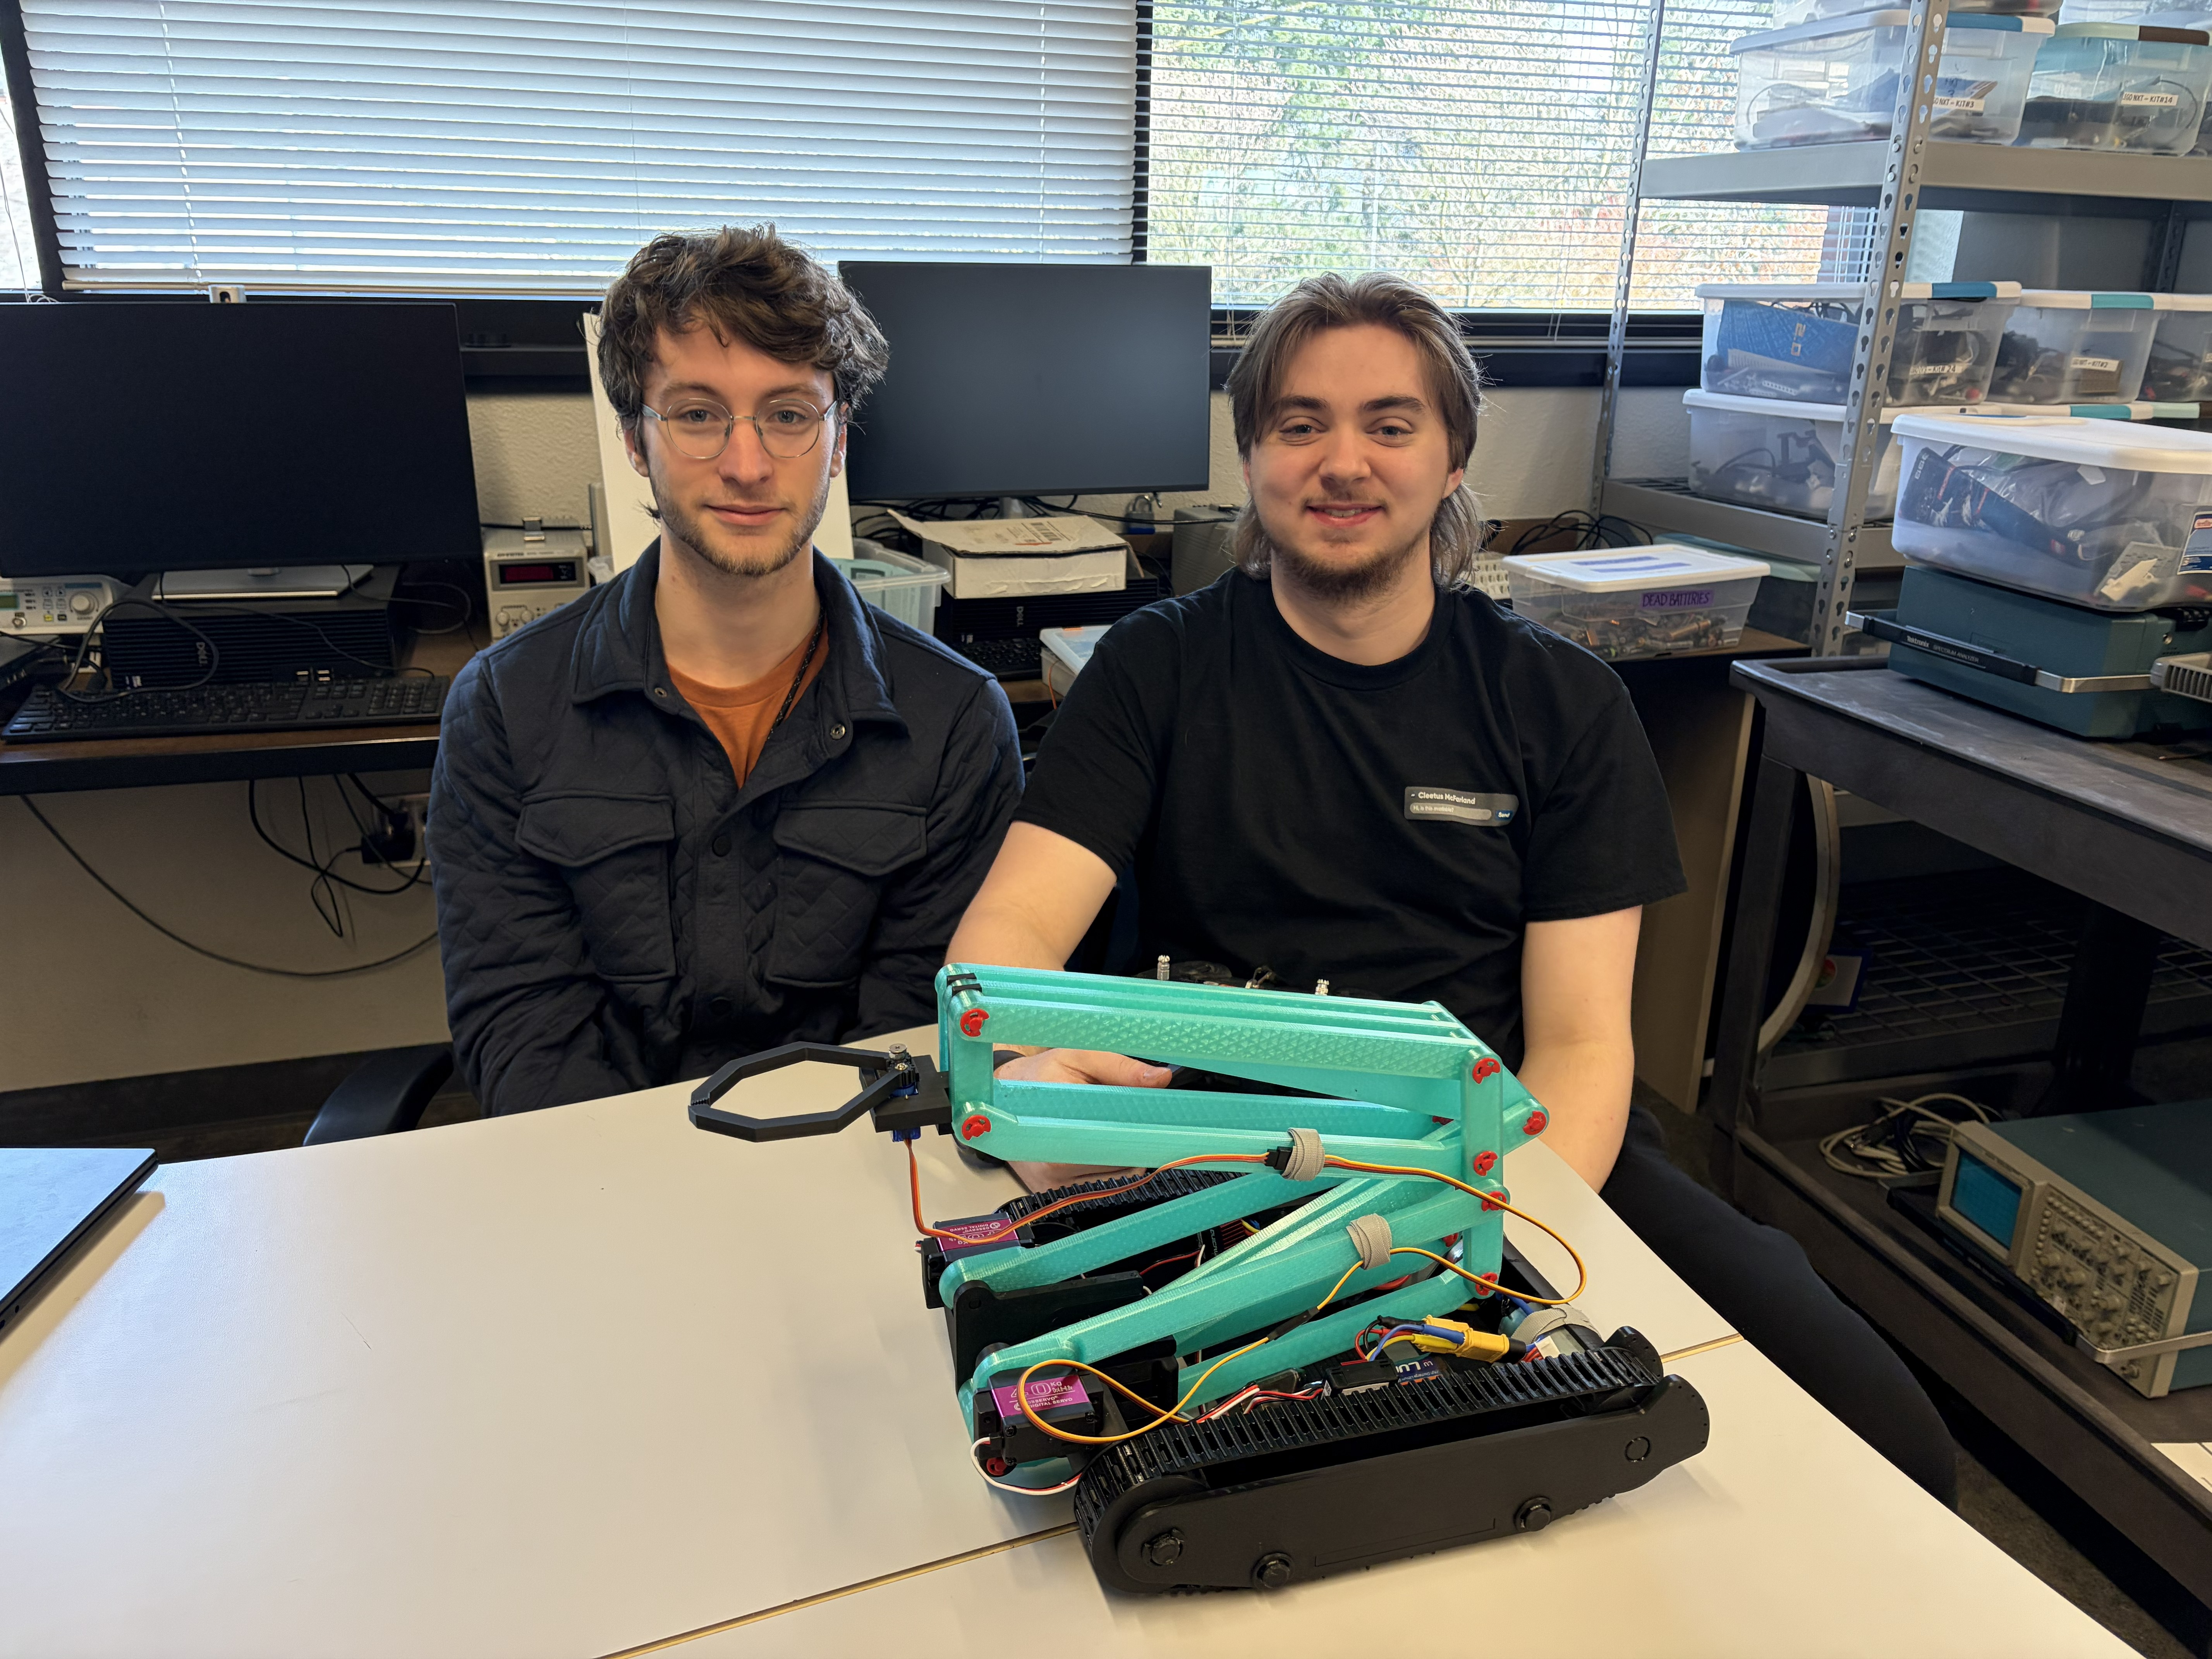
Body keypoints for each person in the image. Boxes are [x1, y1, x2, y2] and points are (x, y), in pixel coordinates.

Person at [944, 270, 1956, 1505]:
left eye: (1390, 423)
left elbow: (1584, 1042)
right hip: (1219, 1155)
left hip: (1501, 1150)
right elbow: (1007, 942)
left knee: (1881, 1425)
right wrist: (1042, 1083)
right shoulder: (1154, 667)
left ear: (1452, 454)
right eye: (1300, 424)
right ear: (1252, 455)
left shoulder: (1562, 704)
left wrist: (1490, 1237)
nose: (1343, 462)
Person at [432, 225, 1021, 1115]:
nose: (747, 467)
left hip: (846, 1166)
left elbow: (918, 1033)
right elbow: (523, 1028)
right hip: (599, 1167)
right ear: (636, 441)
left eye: (788, 416)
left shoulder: (955, 723)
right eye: (698, 415)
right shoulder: (506, 708)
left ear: (838, 441)